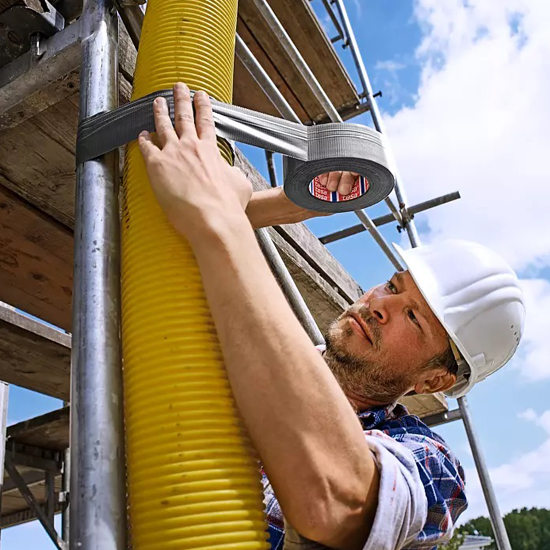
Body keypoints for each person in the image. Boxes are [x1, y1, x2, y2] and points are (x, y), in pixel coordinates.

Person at [136, 83, 526, 550]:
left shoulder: (432, 465)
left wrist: (224, 220)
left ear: (435, 382)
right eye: (393, 286)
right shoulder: (247, 342)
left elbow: (336, 503)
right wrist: (291, 203)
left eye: (415, 318)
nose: (379, 304)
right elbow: (169, 233)